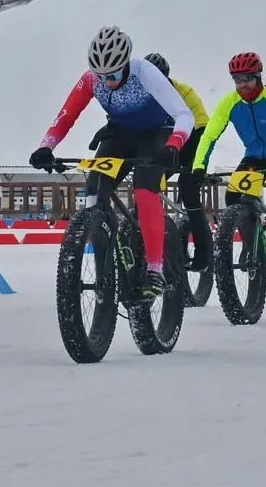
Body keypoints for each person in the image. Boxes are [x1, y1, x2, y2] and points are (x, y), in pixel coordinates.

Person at [29, 27, 193, 300]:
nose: (107, 82)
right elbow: (66, 117)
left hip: (156, 134)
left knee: (144, 189)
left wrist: (174, 145)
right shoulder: (91, 80)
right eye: (101, 76)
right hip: (120, 134)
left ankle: (155, 269)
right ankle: (106, 261)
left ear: (126, 64)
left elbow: (183, 115)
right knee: (94, 191)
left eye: (114, 75)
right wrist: (46, 146)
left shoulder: (145, 73)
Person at [191, 51, 266, 283]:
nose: (242, 85)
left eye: (247, 78)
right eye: (237, 80)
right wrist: (199, 167)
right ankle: (250, 241)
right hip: (254, 157)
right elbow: (209, 136)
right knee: (233, 196)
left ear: (258, 76)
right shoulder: (229, 102)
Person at [143, 52, 213, 271]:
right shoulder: (143, 94)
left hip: (196, 136)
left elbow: (203, 130)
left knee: (188, 187)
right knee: (148, 181)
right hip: (169, 137)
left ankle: (203, 254)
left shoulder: (184, 92)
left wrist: (193, 164)